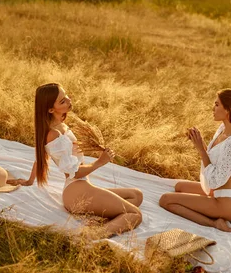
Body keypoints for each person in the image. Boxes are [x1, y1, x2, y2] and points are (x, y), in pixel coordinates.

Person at [8, 83, 143, 237]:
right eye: (62, 101)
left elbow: (41, 158)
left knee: (136, 195)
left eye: (66, 96)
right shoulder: (53, 134)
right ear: (51, 110)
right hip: (76, 191)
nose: (68, 100)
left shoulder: (62, 127)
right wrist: (100, 162)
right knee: (135, 215)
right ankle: (91, 235)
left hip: (83, 186)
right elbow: (74, 173)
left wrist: (29, 180)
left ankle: (101, 221)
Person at [159, 88, 231, 236]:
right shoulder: (223, 128)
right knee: (179, 187)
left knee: (166, 200)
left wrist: (201, 149)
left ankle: (216, 222)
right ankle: (219, 213)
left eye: (216, 105)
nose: (213, 108)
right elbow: (215, 165)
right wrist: (199, 142)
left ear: (227, 109)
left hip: (228, 200)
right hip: (221, 191)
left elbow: (215, 182)